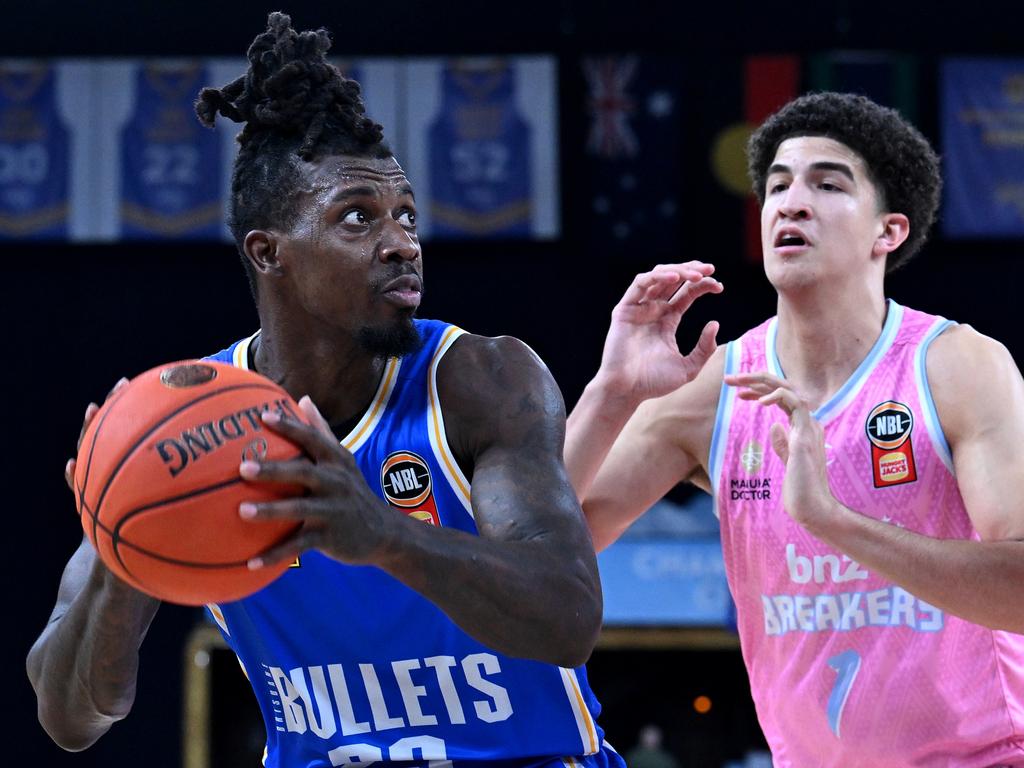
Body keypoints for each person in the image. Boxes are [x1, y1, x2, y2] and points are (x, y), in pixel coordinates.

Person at [27, 13, 623, 768]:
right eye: (357, 217)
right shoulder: (184, 426)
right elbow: (68, 715)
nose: (402, 241)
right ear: (269, 252)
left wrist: (383, 533)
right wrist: (122, 546)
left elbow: (568, 616)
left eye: (406, 214)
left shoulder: (481, 379)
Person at [566, 91, 1024, 766]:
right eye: (777, 185)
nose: (791, 201)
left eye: (828, 183)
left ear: (887, 231)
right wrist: (612, 394)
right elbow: (546, 540)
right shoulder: (714, 387)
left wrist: (831, 520)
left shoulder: (958, 367)